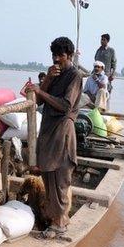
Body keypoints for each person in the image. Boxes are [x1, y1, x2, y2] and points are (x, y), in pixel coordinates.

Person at [26, 37, 82, 235]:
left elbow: (66, 105)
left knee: (60, 178)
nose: (57, 59)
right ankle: (55, 219)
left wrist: (42, 90)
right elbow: (39, 100)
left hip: (62, 131)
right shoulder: (54, 73)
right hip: (48, 130)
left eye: (61, 56)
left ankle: (59, 223)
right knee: (48, 175)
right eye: (54, 55)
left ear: (70, 56)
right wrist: (47, 79)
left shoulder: (74, 76)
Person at [94, 33, 117, 99]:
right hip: (97, 74)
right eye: (101, 40)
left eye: (103, 40)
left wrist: (112, 75)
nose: (102, 41)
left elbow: (114, 64)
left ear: (107, 41)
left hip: (106, 75)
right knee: (96, 91)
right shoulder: (98, 50)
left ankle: (105, 107)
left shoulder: (111, 50)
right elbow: (95, 61)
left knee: (106, 92)